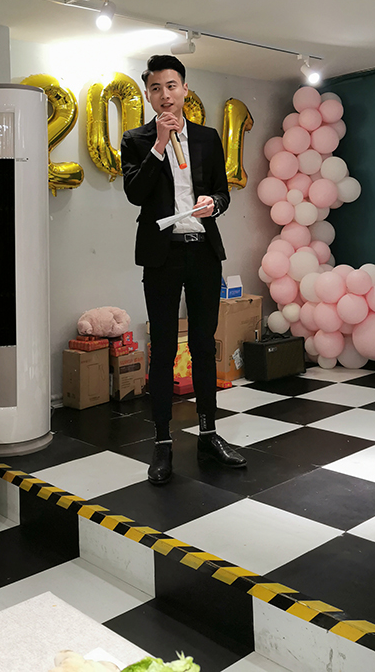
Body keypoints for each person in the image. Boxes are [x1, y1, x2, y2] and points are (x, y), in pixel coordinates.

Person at [121, 55, 246, 485]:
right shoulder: (136, 140)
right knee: (162, 348)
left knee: (203, 345)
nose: (164, 95)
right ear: (148, 95)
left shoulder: (208, 138)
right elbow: (136, 193)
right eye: (156, 88)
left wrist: (215, 204)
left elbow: (222, 192)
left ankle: (209, 434)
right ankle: (162, 443)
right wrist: (158, 145)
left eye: (171, 86)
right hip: (162, 255)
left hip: (203, 252)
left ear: (185, 90)